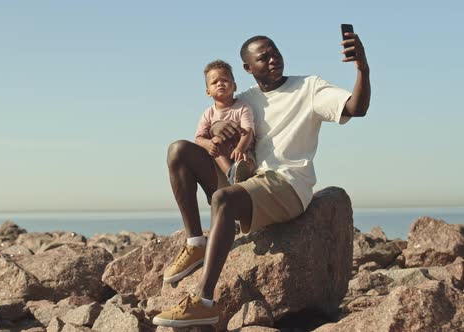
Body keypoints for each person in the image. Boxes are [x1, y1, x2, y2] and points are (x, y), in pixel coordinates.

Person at [152, 29, 370, 328]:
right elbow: (213, 126)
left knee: (223, 199)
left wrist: (362, 68)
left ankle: (203, 303)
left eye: (275, 53)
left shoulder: (308, 87)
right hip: (246, 180)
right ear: (247, 68)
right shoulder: (243, 100)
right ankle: (195, 242)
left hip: (286, 185)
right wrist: (217, 133)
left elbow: (357, 108)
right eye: (263, 57)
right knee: (178, 151)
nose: (273, 60)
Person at [194, 60, 255, 186]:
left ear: (235, 86)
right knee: (216, 142)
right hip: (222, 153)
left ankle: (244, 175)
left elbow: (248, 131)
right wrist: (208, 143)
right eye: (214, 82)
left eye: (225, 80)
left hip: (243, 151)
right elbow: (199, 138)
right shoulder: (208, 114)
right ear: (208, 92)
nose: (220, 84)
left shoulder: (242, 107)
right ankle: (231, 175)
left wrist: (240, 148)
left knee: (249, 162)